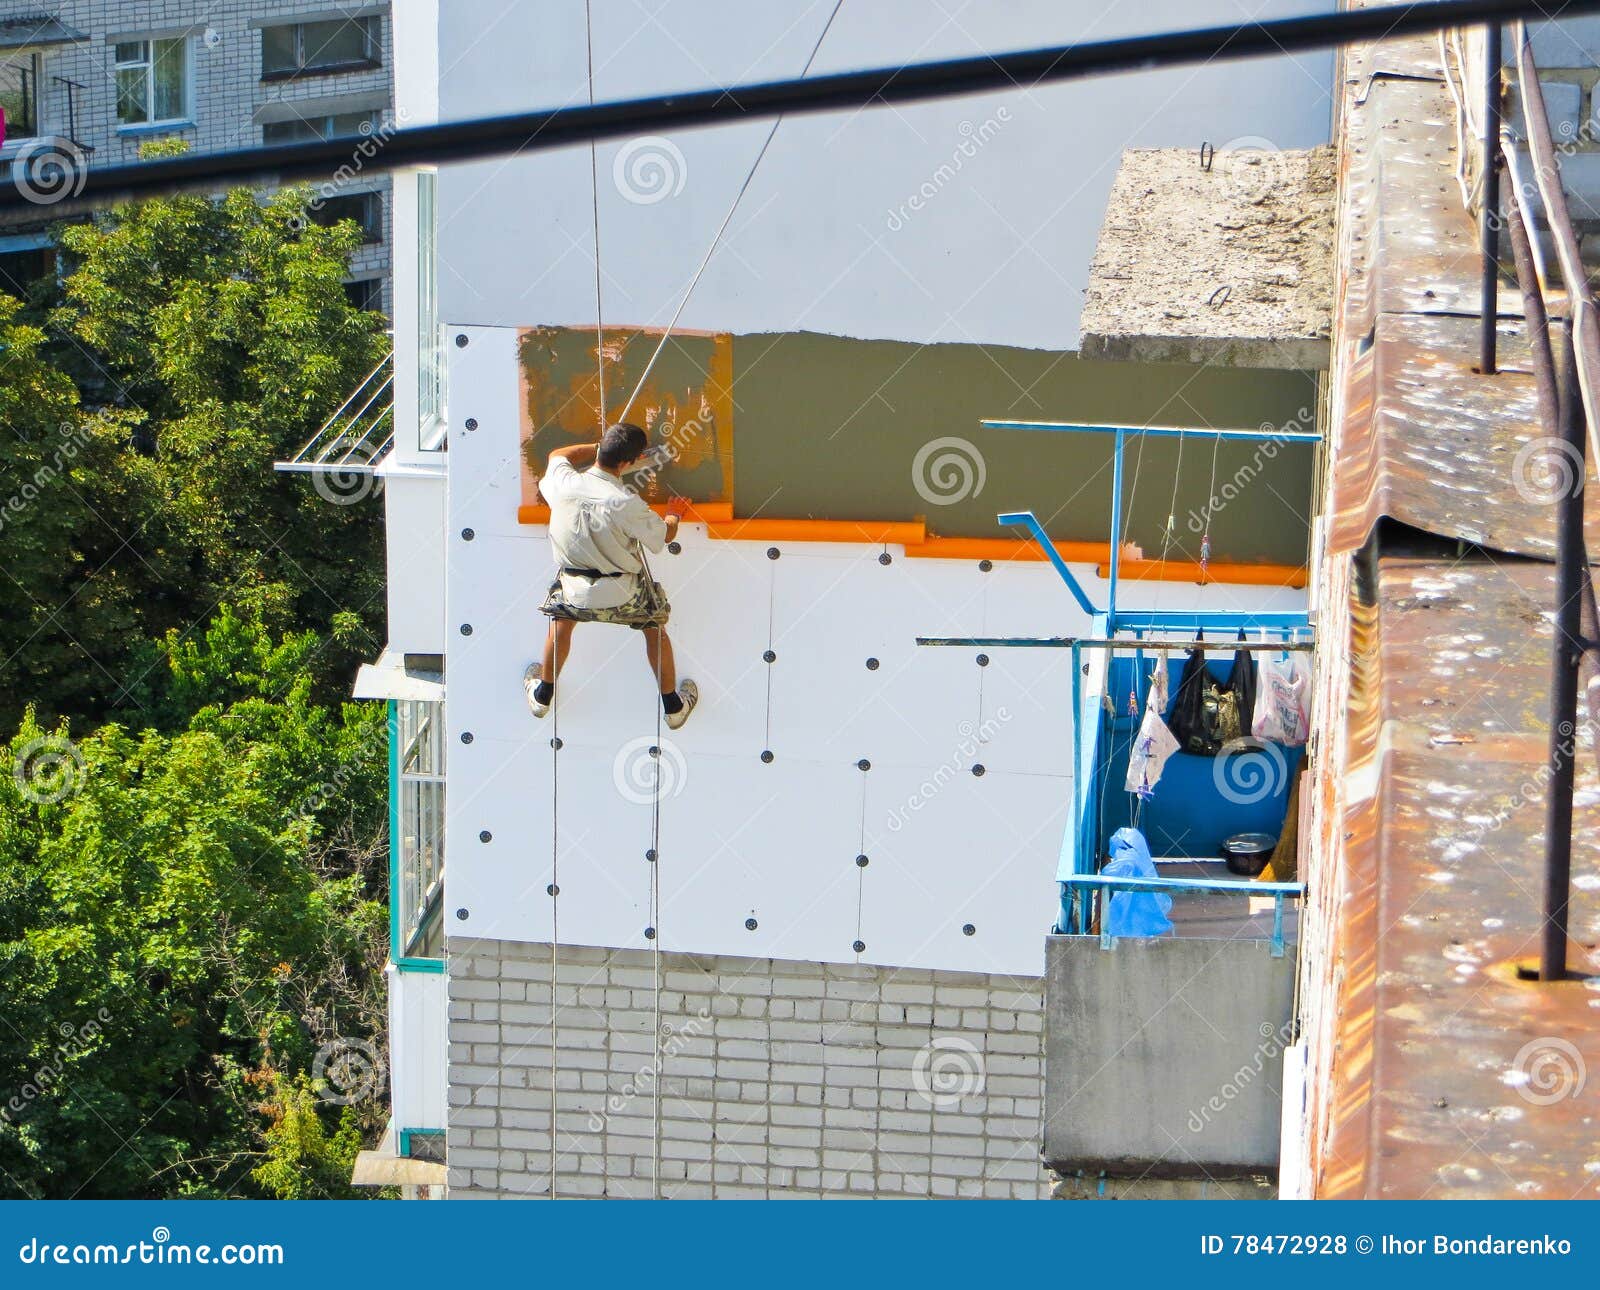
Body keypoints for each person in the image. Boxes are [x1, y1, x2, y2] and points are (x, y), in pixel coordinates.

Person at [523, 423, 698, 729]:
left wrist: (599, 445)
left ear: (602, 448)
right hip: (622, 593)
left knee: (561, 622)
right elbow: (662, 536)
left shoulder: (562, 483)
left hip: (575, 591)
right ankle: (673, 707)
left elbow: (558, 454)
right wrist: (674, 514)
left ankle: (542, 694)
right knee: (654, 629)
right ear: (629, 463)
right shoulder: (626, 502)